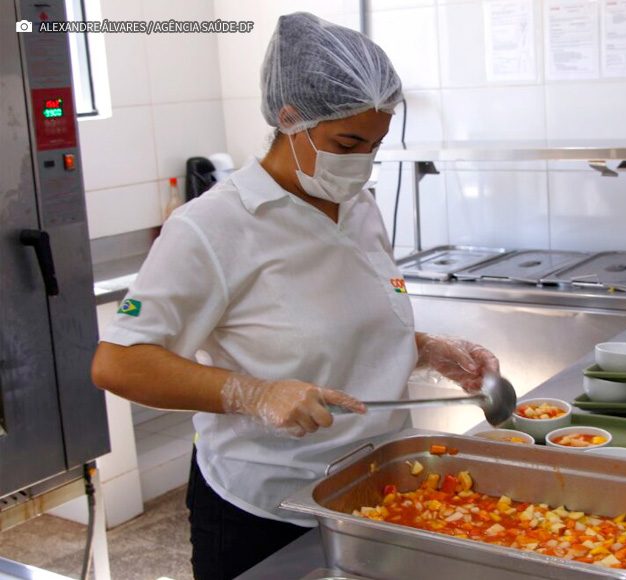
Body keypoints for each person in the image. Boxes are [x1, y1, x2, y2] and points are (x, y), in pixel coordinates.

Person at [90, 12, 499, 580]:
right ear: (289, 119)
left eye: (375, 144)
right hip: (265, 508)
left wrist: (422, 348)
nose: (362, 161)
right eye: (348, 142)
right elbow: (118, 363)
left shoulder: (358, 205)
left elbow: (340, 319)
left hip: (373, 492)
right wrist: (252, 392)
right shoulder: (213, 226)